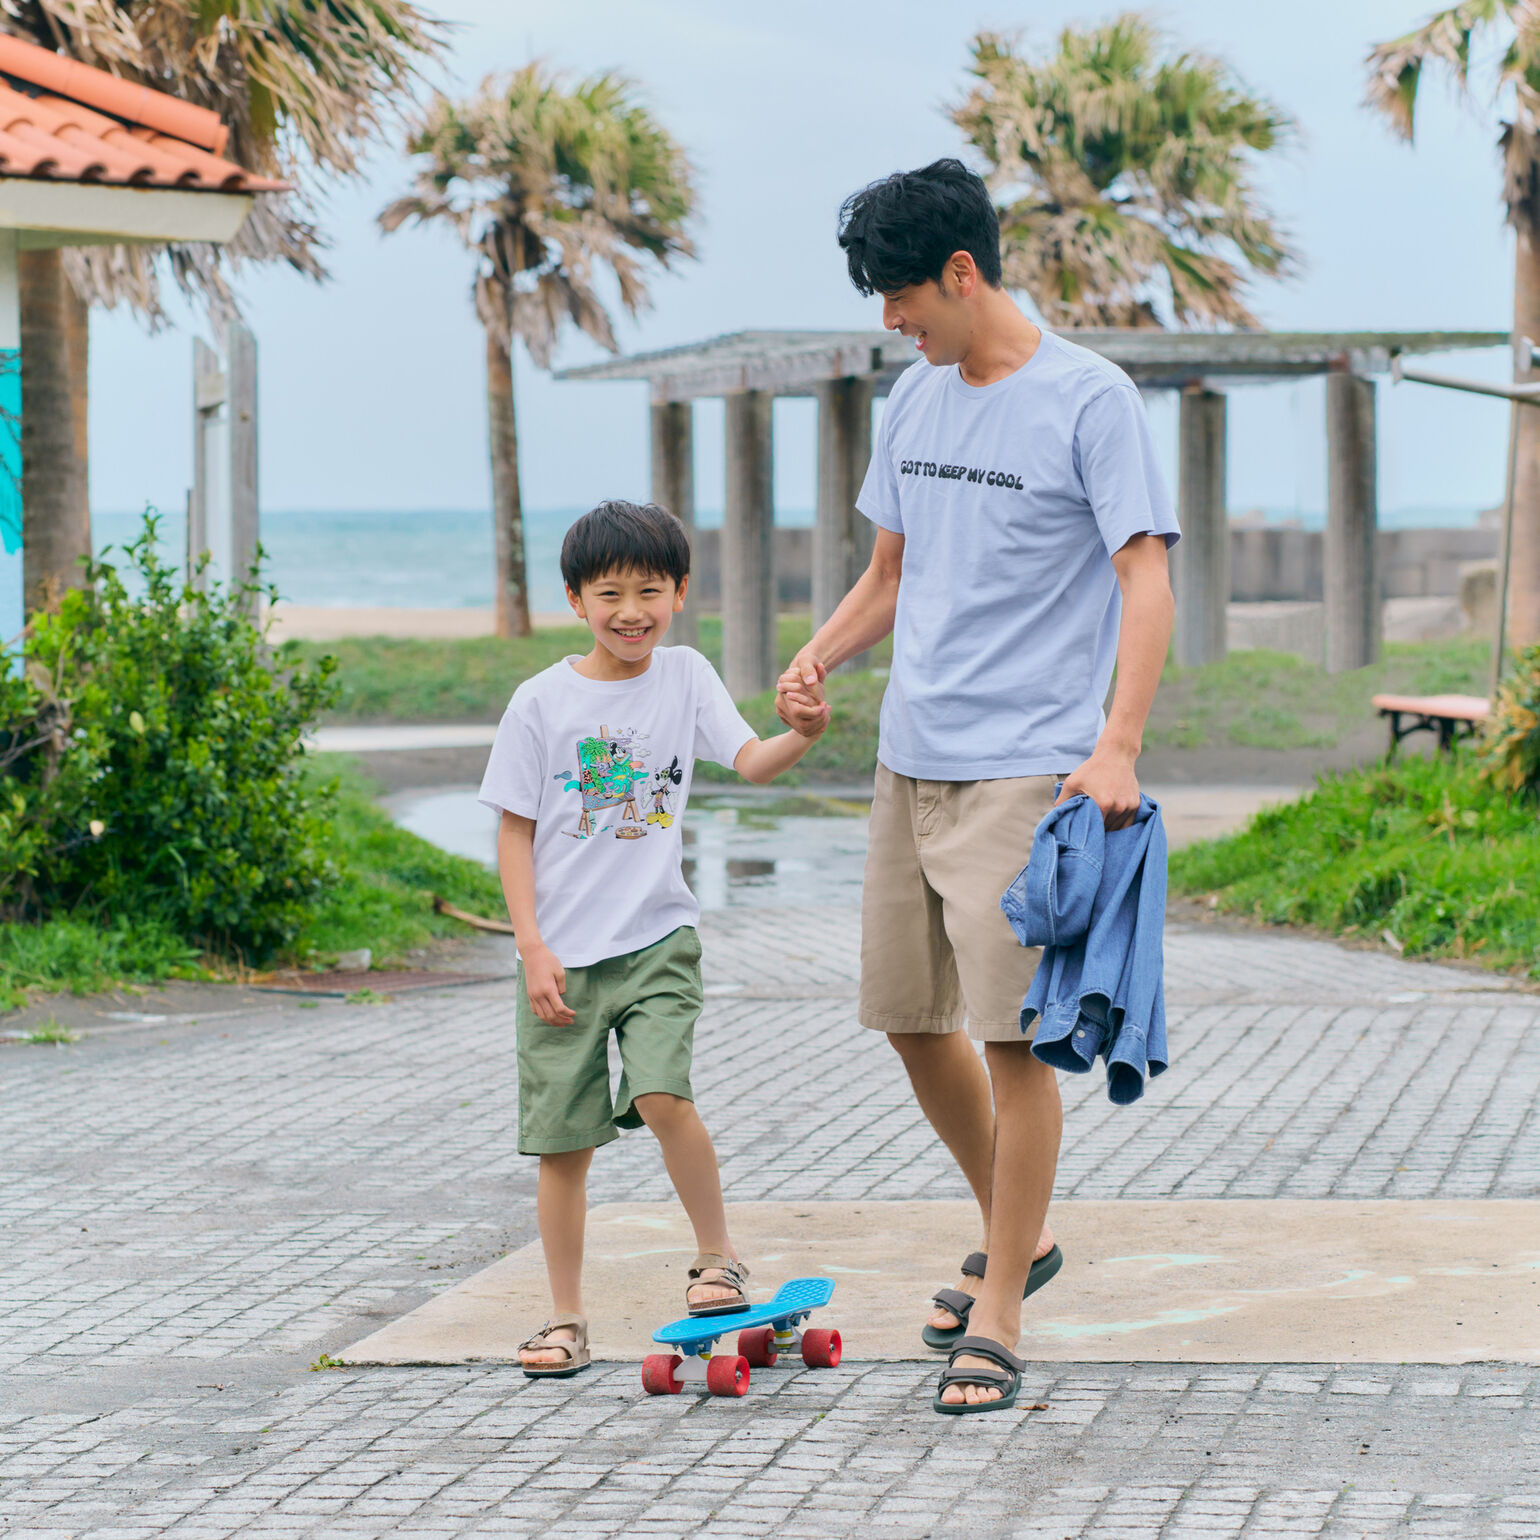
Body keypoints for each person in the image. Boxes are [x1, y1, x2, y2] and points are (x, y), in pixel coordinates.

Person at [778, 159, 1179, 1413]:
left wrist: (1116, 744)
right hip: (910, 758)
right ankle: (1024, 1233)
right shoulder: (916, 398)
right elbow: (890, 574)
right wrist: (817, 655)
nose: (891, 320)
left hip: (1026, 768)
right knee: (910, 1019)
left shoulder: (1088, 400)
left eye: (901, 295)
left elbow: (1145, 579)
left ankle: (1000, 1304)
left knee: (1015, 1045)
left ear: (962, 273)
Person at [480, 499, 830, 1376]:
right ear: (575, 600)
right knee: (563, 1145)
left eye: (649, 591)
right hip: (562, 958)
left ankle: (718, 1259)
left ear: (679, 592)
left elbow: (750, 761)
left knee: (662, 1094)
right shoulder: (541, 701)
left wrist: (802, 734)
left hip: (657, 940)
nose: (631, 611)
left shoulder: (684, 676)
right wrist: (531, 946)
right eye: (610, 594)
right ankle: (566, 1318)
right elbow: (514, 830)